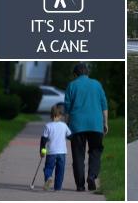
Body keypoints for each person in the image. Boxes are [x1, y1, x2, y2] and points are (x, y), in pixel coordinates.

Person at [64, 63, 108, 191]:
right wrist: (105, 122)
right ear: (87, 73)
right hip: (96, 123)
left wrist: (66, 124)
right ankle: (92, 175)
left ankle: (80, 185)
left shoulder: (71, 85)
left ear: (74, 75)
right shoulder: (97, 84)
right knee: (95, 151)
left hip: (77, 124)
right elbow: (103, 104)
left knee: (78, 154)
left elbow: (67, 106)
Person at [40, 105, 72, 192]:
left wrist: (42, 151)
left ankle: (48, 177)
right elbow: (70, 137)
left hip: (51, 152)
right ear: (61, 116)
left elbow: (43, 140)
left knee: (48, 167)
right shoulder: (64, 125)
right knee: (60, 170)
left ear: (50, 116)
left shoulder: (48, 126)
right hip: (62, 152)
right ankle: (58, 187)